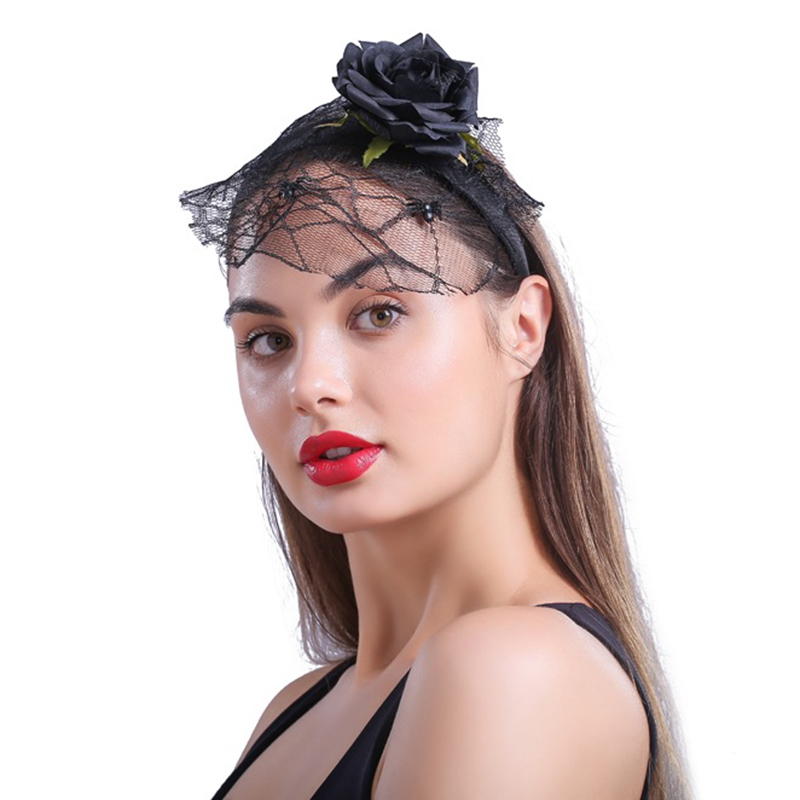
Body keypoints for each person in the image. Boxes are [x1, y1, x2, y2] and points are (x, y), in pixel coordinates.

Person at [180, 33, 690, 800]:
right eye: (268, 340)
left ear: (523, 328)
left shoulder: (514, 673)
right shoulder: (294, 712)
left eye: (380, 313)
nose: (308, 386)